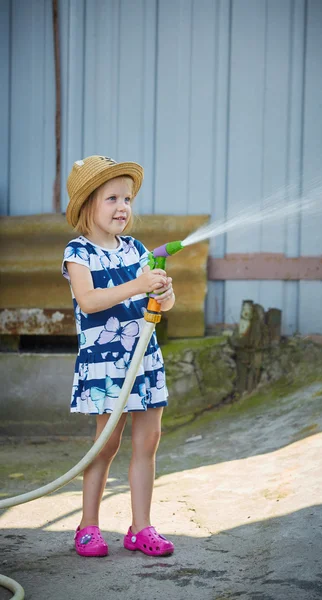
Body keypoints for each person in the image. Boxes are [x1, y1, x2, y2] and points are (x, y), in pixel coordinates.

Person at [62, 155, 175, 557]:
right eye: (111, 198)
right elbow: (90, 301)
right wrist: (137, 283)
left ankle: (141, 528)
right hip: (108, 365)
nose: (123, 207)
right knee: (105, 446)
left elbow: (159, 301)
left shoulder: (136, 249)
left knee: (148, 442)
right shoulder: (79, 253)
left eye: (127, 198)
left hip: (144, 360)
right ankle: (88, 526)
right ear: (87, 205)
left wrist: (162, 292)